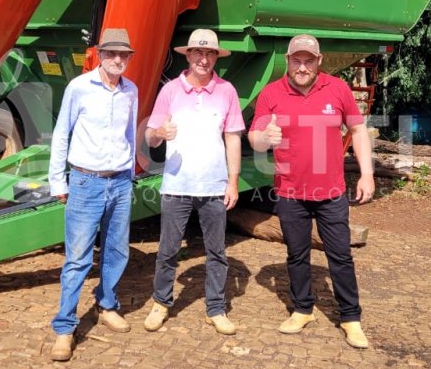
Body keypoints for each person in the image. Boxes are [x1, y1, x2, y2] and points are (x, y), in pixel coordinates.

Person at [248, 34, 375, 348]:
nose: (302, 67)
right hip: (290, 191)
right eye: (296, 60)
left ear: (319, 61)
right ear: (288, 61)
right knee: (296, 253)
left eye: (308, 60)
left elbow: (358, 130)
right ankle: (302, 309)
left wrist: (367, 174)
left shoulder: (338, 89)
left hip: (330, 191)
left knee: (340, 256)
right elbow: (254, 139)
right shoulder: (271, 94)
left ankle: (350, 318)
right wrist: (266, 137)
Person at [142, 29, 244, 335]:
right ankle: (161, 302)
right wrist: (159, 134)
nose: (203, 59)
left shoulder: (227, 91)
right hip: (177, 186)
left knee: (217, 252)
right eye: (198, 53)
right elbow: (149, 134)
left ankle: (216, 307)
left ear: (216, 57)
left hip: (214, 186)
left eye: (210, 53)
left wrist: (233, 182)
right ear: (188, 55)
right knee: (168, 250)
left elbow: (233, 138)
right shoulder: (171, 90)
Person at [47, 28, 138, 361]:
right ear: (100, 55)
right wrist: (58, 181)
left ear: (129, 58)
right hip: (86, 181)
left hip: (120, 182)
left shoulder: (131, 90)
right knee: (78, 257)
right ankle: (64, 328)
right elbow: (61, 135)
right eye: (112, 53)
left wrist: (130, 173)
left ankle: (107, 304)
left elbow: (129, 134)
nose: (118, 60)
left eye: (124, 55)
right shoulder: (79, 87)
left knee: (117, 250)